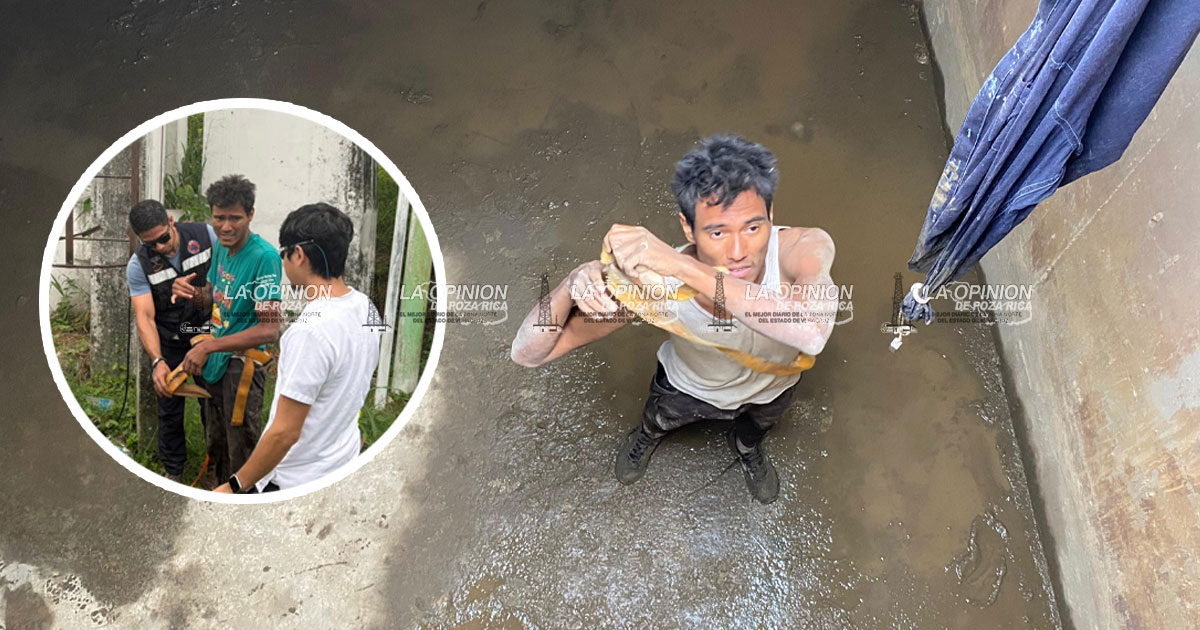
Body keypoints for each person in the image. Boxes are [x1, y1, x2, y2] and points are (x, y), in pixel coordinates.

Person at [510, 135, 838, 503]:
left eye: (752, 227)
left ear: (771, 216)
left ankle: (747, 449)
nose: (739, 252)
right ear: (688, 228)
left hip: (772, 389)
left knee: (755, 429)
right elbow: (528, 353)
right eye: (717, 232)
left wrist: (682, 265)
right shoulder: (654, 286)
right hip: (689, 387)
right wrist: (570, 286)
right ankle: (648, 436)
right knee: (660, 418)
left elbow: (811, 331)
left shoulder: (803, 249)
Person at [214, 203, 383, 494]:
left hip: (296, 481)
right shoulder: (364, 306)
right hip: (341, 460)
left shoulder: (309, 332)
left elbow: (284, 433)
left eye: (284, 255)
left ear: (298, 255)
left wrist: (235, 485)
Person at [174, 174, 282, 486]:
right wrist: (188, 292)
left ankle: (246, 501)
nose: (226, 226)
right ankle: (217, 492)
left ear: (250, 214)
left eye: (235, 218)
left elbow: (268, 330)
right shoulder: (222, 247)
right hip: (217, 358)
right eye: (219, 217)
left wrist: (207, 346)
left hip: (241, 364)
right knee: (215, 438)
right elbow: (213, 294)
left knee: (242, 446)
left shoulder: (264, 258)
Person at [125, 199, 216, 482]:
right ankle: (173, 472)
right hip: (170, 338)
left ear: (172, 222)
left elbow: (226, 284)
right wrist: (157, 361)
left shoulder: (206, 236)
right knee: (169, 406)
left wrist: (199, 296)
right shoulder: (139, 265)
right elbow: (145, 317)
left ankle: (216, 466)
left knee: (213, 403)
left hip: (205, 333)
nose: (161, 247)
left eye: (164, 238)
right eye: (152, 244)